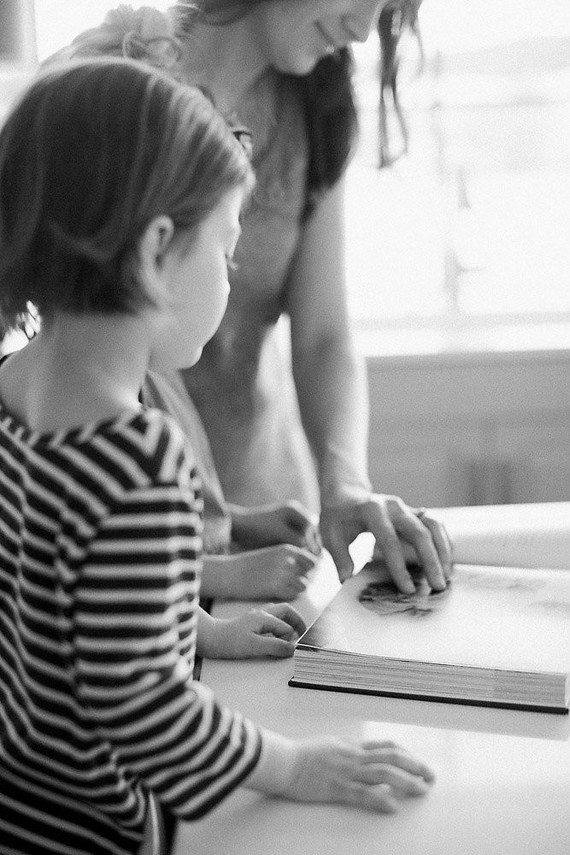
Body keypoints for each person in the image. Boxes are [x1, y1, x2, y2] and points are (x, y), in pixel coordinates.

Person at [0, 58, 435, 855]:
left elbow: (61, 609)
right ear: (157, 250)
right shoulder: (141, 458)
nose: (230, 283)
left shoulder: (15, 399)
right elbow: (148, 712)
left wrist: (204, 632)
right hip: (94, 832)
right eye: (225, 253)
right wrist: (297, 766)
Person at [56, 2, 452, 598]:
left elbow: (323, 336)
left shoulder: (317, 106)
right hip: (126, 524)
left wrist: (343, 485)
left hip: (260, 517)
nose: (364, 29)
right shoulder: (110, 84)